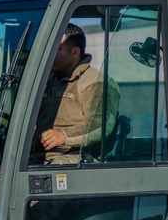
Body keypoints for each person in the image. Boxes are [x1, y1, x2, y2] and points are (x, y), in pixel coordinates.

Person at [34, 24, 119, 165]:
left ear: (75, 53)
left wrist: (64, 136)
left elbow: (100, 125)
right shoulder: (47, 81)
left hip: (74, 159)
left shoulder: (96, 82)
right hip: (38, 156)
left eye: (57, 49)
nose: (50, 53)